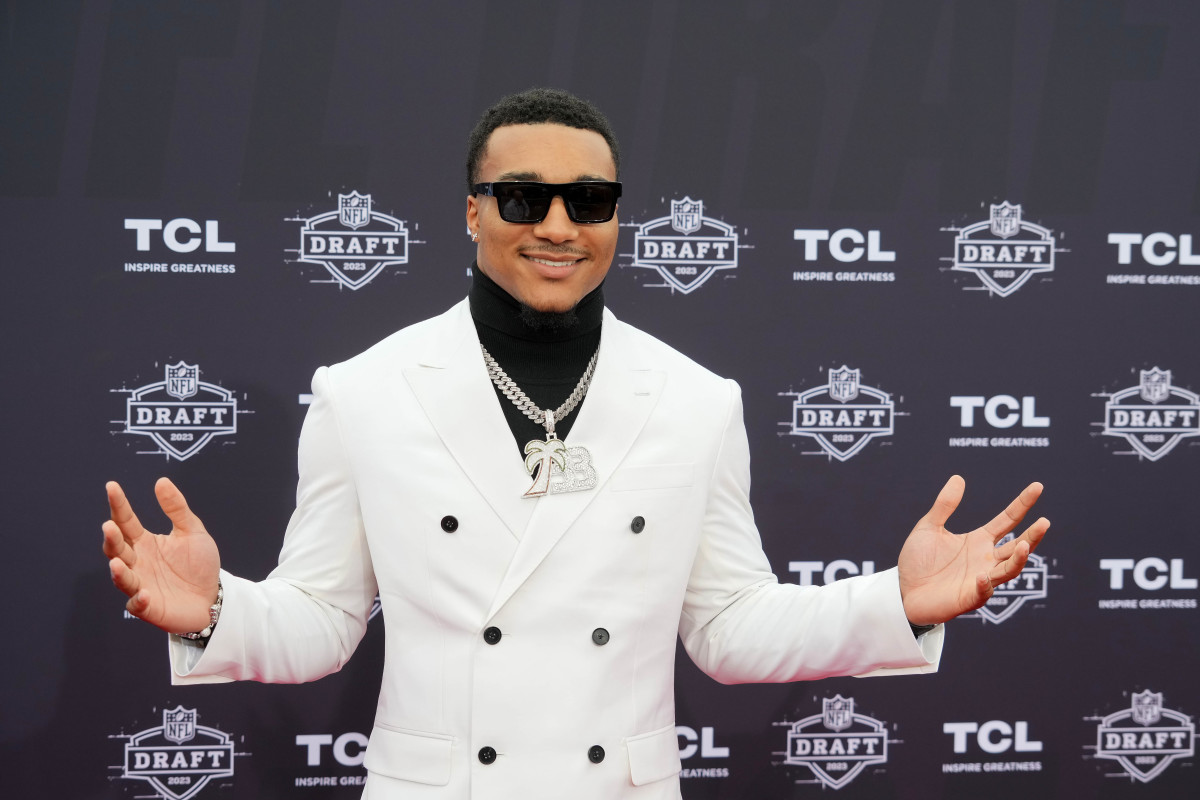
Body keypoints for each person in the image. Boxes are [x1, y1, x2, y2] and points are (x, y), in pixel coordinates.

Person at [102, 88, 1049, 799]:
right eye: (522, 199)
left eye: (589, 200)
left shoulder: (694, 399)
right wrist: (212, 611)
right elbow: (322, 621)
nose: (558, 227)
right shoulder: (365, 392)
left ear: (616, 218)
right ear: (472, 211)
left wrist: (899, 603)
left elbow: (729, 629)